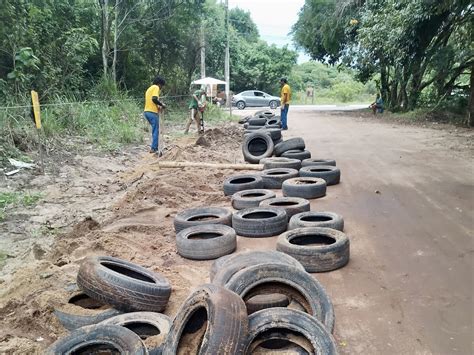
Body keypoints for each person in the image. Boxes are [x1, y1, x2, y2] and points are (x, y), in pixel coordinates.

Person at [144, 75, 166, 155]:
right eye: (162, 86)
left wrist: (158, 107)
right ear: (159, 84)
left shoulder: (149, 89)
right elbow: (154, 99)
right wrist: (162, 104)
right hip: (152, 112)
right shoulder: (156, 88)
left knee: (154, 130)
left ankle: (154, 146)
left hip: (147, 111)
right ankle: (154, 148)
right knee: (156, 130)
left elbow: (151, 101)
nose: (161, 88)